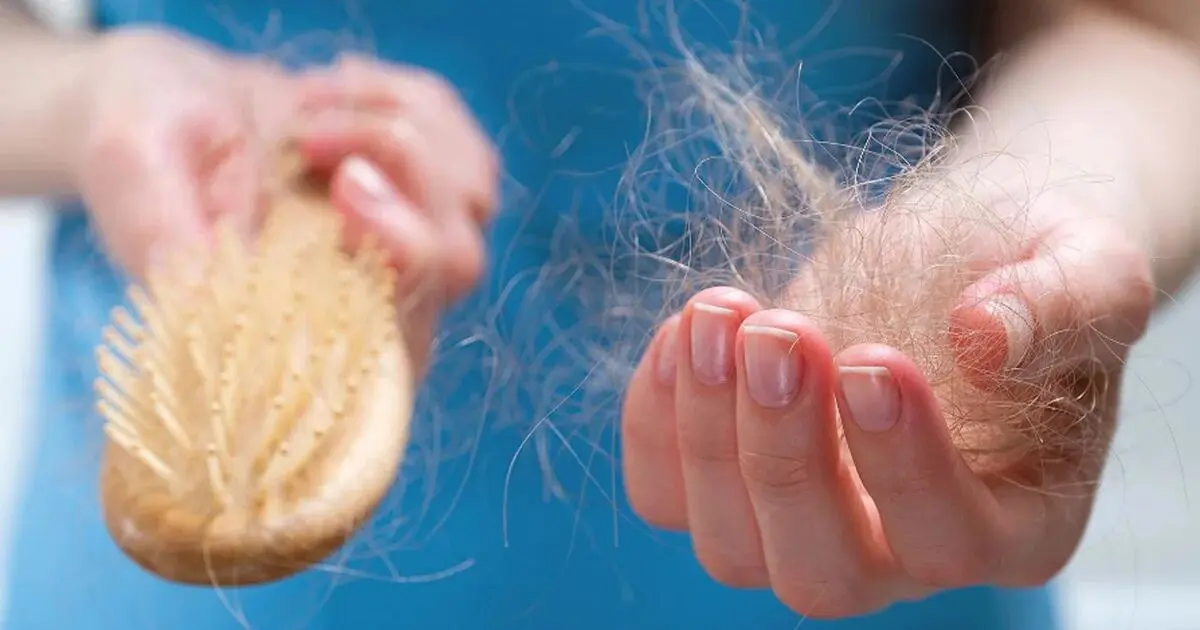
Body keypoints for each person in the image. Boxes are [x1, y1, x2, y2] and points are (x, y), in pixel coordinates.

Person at [1, 0, 1198, 628]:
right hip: (194, 566)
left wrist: (1043, 219)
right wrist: (86, 100)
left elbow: (1150, 32)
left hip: (876, 516)